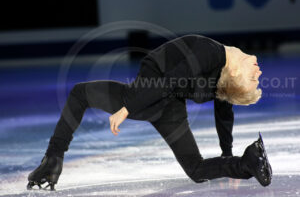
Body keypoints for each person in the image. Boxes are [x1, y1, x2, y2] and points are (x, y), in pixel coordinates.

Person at [27, 35, 271, 191]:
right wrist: (228, 157)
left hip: (150, 95)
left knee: (80, 94)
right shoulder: (214, 59)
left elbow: (218, 109)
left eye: (253, 79)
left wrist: (127, 107)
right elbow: (182, 85)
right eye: (255, 78)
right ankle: (246, 162)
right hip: (163, 100)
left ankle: (52, 159)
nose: (259, 73)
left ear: (235, 75)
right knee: (196, 169)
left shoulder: (213, 56)